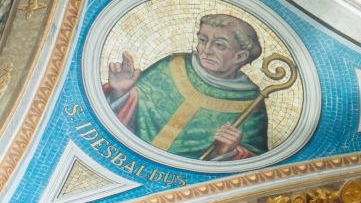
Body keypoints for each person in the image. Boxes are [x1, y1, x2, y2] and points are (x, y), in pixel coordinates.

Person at [103, 13, 268, 160]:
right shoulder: (173, 65)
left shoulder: (250, 102)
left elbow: (255, 161)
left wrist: (227, 152)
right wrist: (120, 91)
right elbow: (128, 111)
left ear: (240, 56)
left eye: (219, 45)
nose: (207, 50)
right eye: (203, 40)